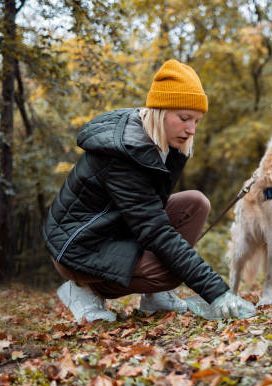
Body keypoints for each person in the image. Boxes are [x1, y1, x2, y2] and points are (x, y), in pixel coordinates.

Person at [43, 59, 255, 323]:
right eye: (185, 118)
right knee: (169, 272)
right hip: (79, 245)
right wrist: (218, 293)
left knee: (195, 203)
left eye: (197, 121)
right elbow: (155, 230)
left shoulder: (165, 144)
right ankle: (83, 289)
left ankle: (154, 297)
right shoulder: (125, 153)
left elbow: (153, 211)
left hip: (115, 230)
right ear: (159, 110)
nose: (191, 130)